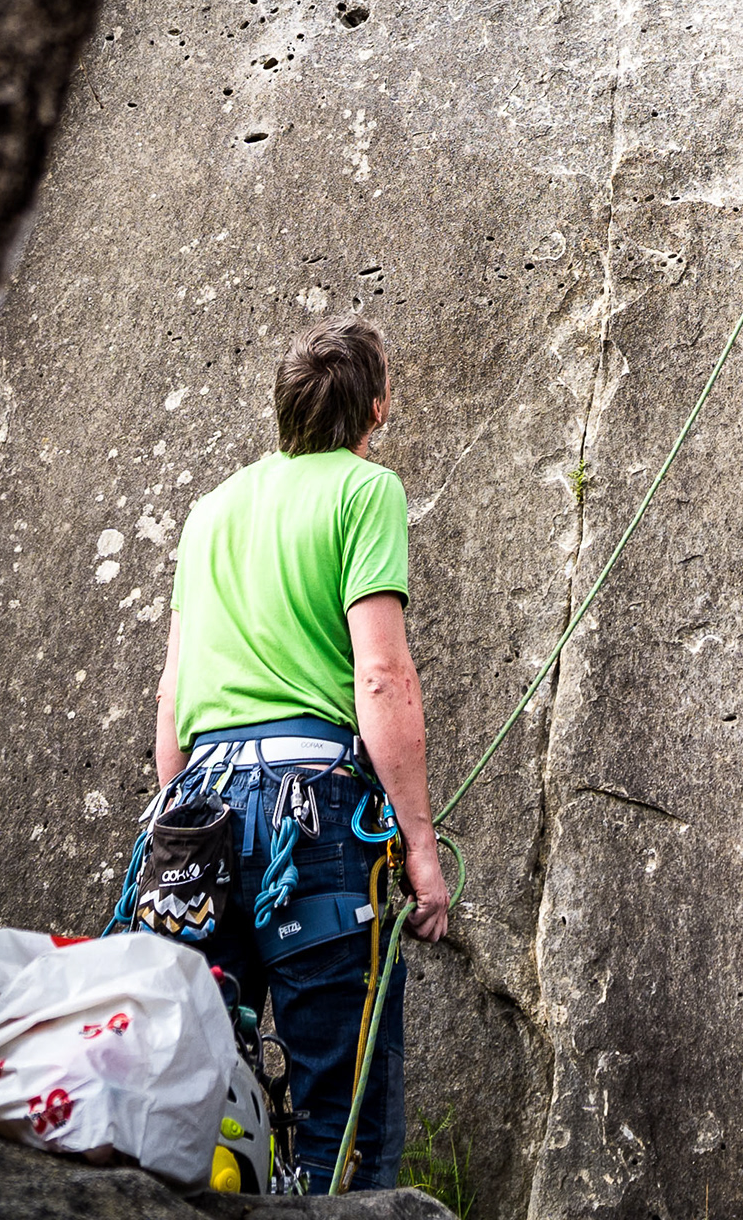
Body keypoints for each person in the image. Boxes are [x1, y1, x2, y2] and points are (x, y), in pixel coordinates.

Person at [151, 316, 445, 1192]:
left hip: (198, 814)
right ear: (377, 408)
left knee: (196, 1095)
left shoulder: (209, 513)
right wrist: (421, 853)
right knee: (340, 1116)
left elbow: (172, 695)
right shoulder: (365, 492)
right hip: (309, 821)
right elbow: (383, 677)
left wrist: (179, 832)